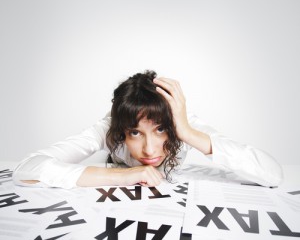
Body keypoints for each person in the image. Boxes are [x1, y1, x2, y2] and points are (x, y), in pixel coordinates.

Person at [13, 70, 283, 189]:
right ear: (121, 130)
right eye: (134, 133)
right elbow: (28, 168)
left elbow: (273, 174)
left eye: (161, 130)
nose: (150, 150)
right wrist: (127, 175)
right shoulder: (109, 126)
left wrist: (186, 132)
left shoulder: (185, 124)